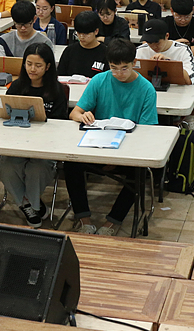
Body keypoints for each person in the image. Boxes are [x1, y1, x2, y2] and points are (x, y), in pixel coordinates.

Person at [67, 39, 158, 236]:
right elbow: (74, 112)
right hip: (99, 145)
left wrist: (117, 157)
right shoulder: (99, 80)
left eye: (124, 68)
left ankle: (112, 222)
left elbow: (148, 132)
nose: (118, 73)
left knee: (138, 172)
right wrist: (82, 116)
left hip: (128, 149)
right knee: (71, 163)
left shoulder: (146, 89)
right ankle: (84, 220)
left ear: (134, 63)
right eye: (114, 68)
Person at [0, 43, 67, 227]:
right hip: (17, 143)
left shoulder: (57, 90)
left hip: (45, 146)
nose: (32, 69)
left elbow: (61, 125)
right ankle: (29, 205)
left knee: (37, 169)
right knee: (6, 166)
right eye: (29, 64)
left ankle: (31, 204)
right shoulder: (16, 86)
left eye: (38, 65)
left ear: (48, 66)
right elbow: (3, 115)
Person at [137, 18, 194, 115]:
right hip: (149, 92)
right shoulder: (140, 51)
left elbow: (189, 80)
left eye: (157, 42)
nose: (153, 46)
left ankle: (184, 118)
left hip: (178, 93)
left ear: (167, 36)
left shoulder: (182, 50)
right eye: (150, 43)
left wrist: (170, 64)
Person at [57, 11, 108, 77]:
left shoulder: (106, 53)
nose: (81, 37)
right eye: (78, 33)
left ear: (96, 31)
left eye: (86, 33)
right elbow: (60, 75)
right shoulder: (69, 51)